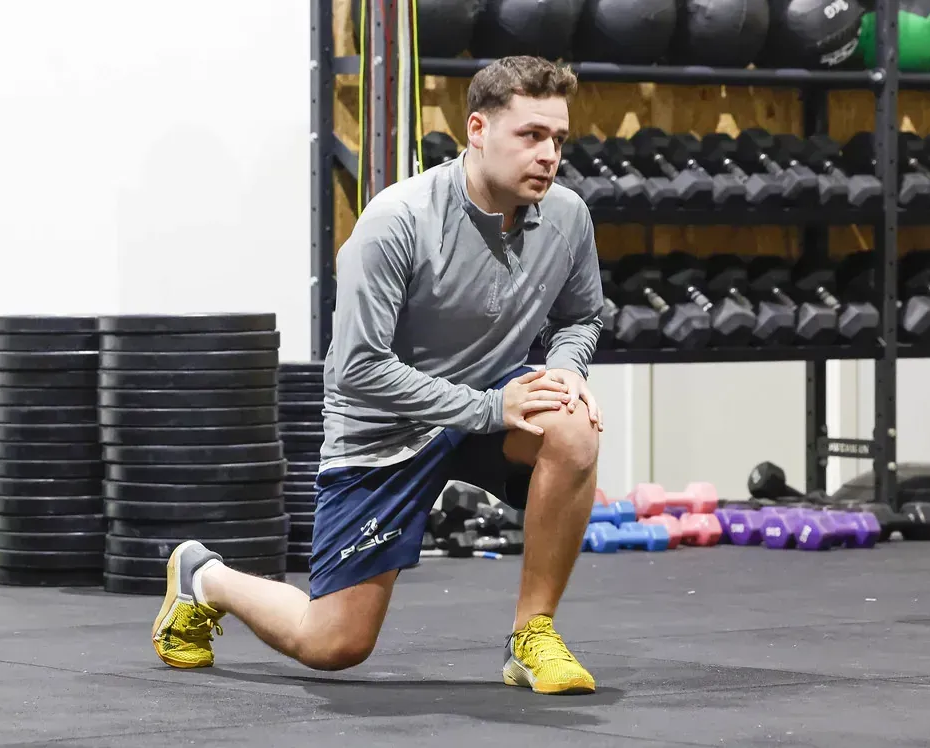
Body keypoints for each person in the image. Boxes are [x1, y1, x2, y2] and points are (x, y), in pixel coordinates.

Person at [151, 55, 606, 696]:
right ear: (477, 129)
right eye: (530, 135)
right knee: (334, 644)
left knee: (574, 425)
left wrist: (564, 371)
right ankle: (205, 577)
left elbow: (582, 316)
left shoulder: (566, 217)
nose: (549, 154)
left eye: (558, 138)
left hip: (488, 409)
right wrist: (486, 408)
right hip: (385, 432)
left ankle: (533, 634)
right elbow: (357, 369)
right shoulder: (398, 220)